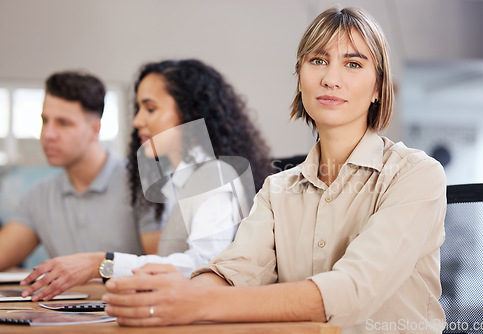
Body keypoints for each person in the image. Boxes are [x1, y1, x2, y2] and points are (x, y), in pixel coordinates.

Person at [103, 7, 447, 334]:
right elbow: (234, 270)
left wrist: (199, 302)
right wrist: (186, 294)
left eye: (353, 64)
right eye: (318, 61)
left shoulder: (416, 175)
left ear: (377, 87)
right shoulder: (277, 188)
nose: (330, 78)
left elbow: (353, 289)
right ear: (300, 77)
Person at [20, 59, 272, 301]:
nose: (138, 121)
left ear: (190, 113)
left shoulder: (215, 176)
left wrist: (102, 264)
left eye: (150, 109)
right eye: (139, 109)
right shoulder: (176, 183)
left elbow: (204, 266)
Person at [0, 71, 160, 274]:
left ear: (95, 129)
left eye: (63, 123)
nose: (48, 134)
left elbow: (160, 270)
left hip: (128, 305)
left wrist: (100, 269)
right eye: (45, 121)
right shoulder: (40, 195)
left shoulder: (143, 184)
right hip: (64, 305)